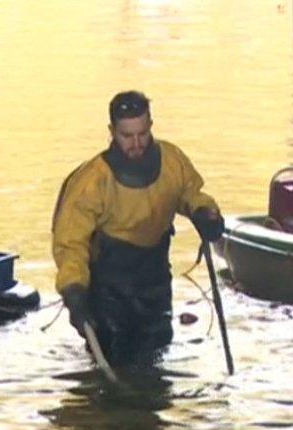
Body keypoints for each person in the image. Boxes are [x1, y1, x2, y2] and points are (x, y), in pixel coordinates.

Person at [52, 90, 224, 370]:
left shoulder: (171, 160)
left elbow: (190, 192)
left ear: (151, 126)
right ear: (112, 132)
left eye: (142, 134)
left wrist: (205, 213)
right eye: (127, 136)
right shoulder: (93, 182)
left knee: (157, 354)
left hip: (154, 280)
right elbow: (71, 243)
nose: (136, 144)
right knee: (113, 359)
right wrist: (74, 292)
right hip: (108, 289)